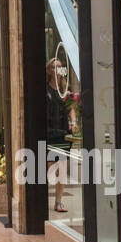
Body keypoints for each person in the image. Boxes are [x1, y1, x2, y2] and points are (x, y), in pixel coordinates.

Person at [45, 58, 72, 213]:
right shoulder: (46, 90)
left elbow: (71, 108)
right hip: (49, 132)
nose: (58, 70)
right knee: (50, 167)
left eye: (60, 67)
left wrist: (73, 121)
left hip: (63, 133)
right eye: (55, 67)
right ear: (49, 70)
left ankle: (59, 201)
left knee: (61, 168)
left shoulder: (66, 90)